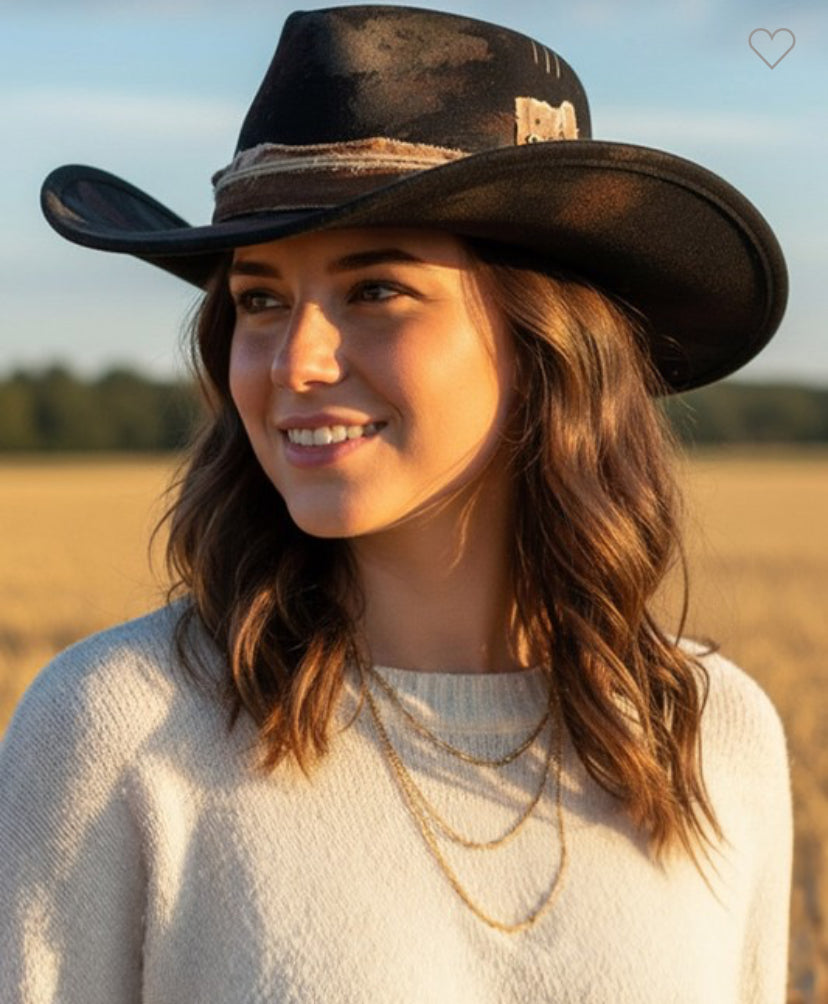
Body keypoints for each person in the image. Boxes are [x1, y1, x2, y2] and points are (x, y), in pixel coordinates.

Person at [0, 6, 792, 1002]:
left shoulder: (716, 736)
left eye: (375, 290)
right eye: (259, 299)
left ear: (545, 341)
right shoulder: (118, 733)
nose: (296, 360)